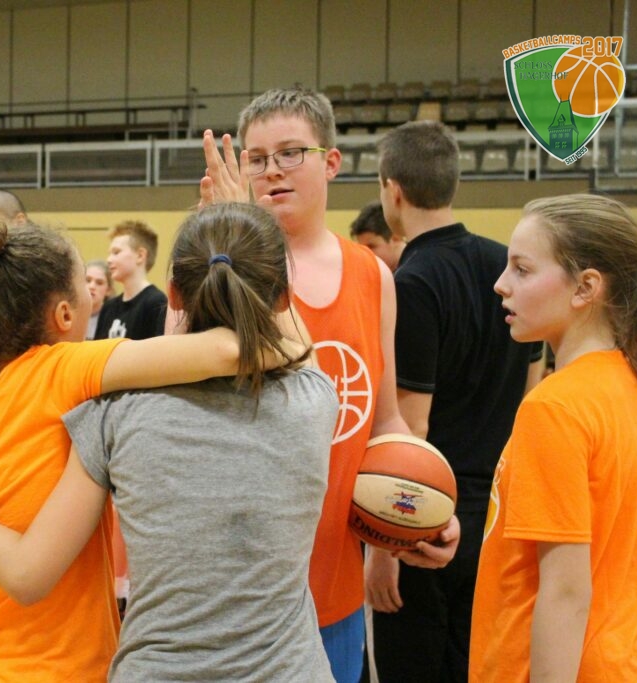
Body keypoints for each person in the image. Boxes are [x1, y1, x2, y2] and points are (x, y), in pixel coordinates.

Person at [0, 209, 302, 680]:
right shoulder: (65, 369)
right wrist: (296, 346)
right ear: (65, 314)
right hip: (60, 669)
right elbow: (230, 350)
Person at [199, 87, 459, 683]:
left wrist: (419, 508)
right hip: (237, 589)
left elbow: (385, 421)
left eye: (291, 153)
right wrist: (231, 235)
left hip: (336, 589)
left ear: (332, 162)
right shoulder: (213, 269)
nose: (272, 171)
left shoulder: (374, 276)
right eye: (257, 158)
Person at [366, 121, 544, 682]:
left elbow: (411, 429)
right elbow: (531, 393)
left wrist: (384, 547)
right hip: (496, 511)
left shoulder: (413, 281)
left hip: (429, 521)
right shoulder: (507, 266)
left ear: (392, 190)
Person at [470, 193, 637, 681]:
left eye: (522, 269)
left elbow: (566, 593)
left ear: (585, 287)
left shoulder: (554, 408)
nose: (500, 284)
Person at [93, 220, 167, 340]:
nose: (109, 259)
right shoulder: (108, 307)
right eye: (110, 253)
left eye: (116, 252)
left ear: (140, 255)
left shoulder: (156, 303)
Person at [349, 200, 405, 272]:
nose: (364, 254)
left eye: (371, 246)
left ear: (396, 238)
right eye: (361, 248)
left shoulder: (414, 271)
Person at [85, 260, 113, 340]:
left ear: (108, 290)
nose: (92, 286)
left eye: (99, 283)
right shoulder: (69, 315)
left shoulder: (113, 319)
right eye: (88, 280)